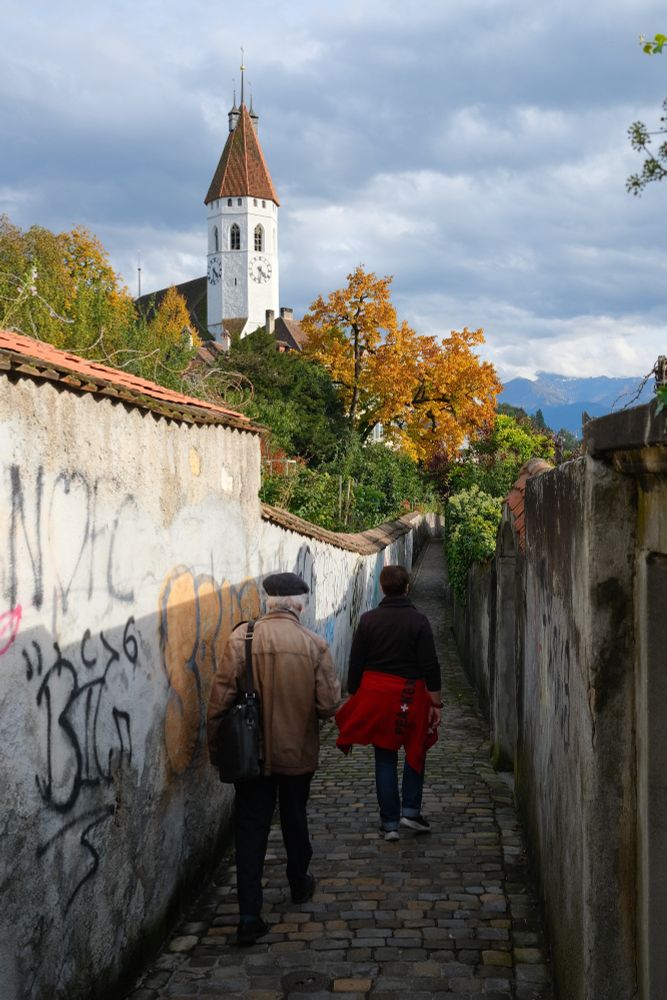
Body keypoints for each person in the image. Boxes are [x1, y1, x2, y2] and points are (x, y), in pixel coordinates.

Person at [207, 571, 341, 946]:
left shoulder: (242, 639)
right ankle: (299, 882)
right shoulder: (315, 645)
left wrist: (216, 750)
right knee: (295, 819)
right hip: (297, 751)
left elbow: (218, 702)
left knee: (251, 830)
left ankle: (249, 915)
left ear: (268, 602)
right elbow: (329, 706)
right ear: (300, 605)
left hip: (252, 755)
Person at [336, 564, 441, 841]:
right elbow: (430, 665)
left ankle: (390, 823)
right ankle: (410, 810)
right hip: (411, 695)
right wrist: (436, 703)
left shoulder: (368, 620)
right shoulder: (418, 621)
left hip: (377, 695)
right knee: (415, 750)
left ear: (382, 588)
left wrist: (354, 694)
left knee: (384, 758)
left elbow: (355, 662)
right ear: (407, 587)